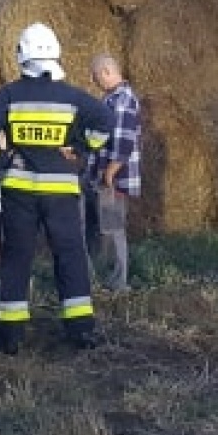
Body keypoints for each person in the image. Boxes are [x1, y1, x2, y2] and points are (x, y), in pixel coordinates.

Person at [0, 23, 113, 354]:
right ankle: (80, 330)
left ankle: (11, 335)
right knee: (70, 255)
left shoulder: (9, 95)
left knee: (17, 258)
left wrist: (0, 158)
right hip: (61, 189)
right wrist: (79, 148)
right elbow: (104, 121)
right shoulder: (73, 97)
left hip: (20, 189)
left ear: (22, 57)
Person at [85, 54, 141, 292]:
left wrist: (110, 173)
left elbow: (123, 141)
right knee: (103, 230)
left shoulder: (123, 100)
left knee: (113, 228)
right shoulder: (111, 99)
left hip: (114, 179)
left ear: (107, 71)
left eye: (97, 77)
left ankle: (119, 282)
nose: (95, 81)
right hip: (103, 177)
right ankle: (103, 277)